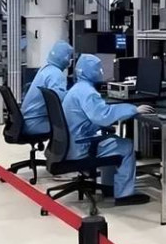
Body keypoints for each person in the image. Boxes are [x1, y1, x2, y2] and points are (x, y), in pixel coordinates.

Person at [62, 54, 153, 206]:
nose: (101, 72)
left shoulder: (77, 88)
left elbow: (91, 118)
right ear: (89, 71)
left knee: (111, 139)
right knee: (126, 145)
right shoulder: (88, 93)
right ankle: (124, 195)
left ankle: (110, 187)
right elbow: (104, 116)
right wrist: (133, 109)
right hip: (80, 147)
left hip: (69, 144)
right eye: (98, 69)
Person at [21, 40, 73, 135]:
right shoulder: (57, 75)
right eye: (70, 57)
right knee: (75, 125)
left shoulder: (45, 69)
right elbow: (60, 100)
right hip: (36, 122)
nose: (70, 60)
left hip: (26, 120)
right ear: (65, 58)